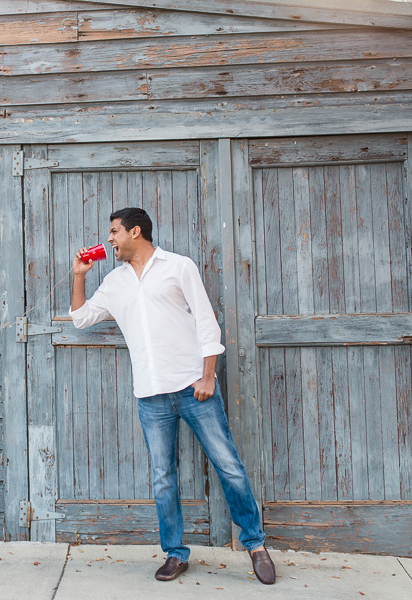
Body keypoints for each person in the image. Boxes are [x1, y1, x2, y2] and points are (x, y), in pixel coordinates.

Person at [69, 207, 276, 585]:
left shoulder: (179, 267)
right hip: (151, 396)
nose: (109, 239)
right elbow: (81, 318)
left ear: (135, 231)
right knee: (163, 477)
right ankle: (175, 553)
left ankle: (255, 544)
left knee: (228, 466)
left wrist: (208, 376)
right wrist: (79, 276)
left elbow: (206, 323)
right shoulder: (114, 282)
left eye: (114, 232)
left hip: (194, 388)